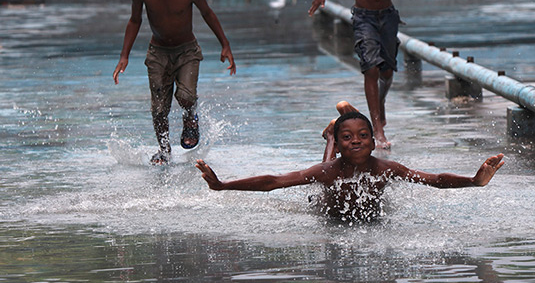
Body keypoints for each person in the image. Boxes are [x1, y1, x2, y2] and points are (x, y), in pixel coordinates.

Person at [196, 102, 504, 222]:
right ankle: (331, 134)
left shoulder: (387, 169)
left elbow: (434, 179)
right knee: (324, 172)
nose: (356, 141)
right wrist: (222, 186)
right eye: (348, 137)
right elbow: (275, 182)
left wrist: (474, 181)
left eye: (362, 136)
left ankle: (334, 128)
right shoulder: (328, 172)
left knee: (334, 164)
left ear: (374, 142)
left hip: (362, 202)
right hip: (324, 206)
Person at [113, 0, 236, 165]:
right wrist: (124, 55)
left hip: (187, 51)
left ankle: (190, 118)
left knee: (186, 96)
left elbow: (208, 14)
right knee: (159, 107)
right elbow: (134, 21)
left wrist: (225, 44)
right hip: (158, 53)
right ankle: (164, 149)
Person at [308, 0, 418, 150]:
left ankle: (379, 106)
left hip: (388, 16)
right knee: (371, 69)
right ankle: (377, 130)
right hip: (363, 17)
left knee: (387, 71)